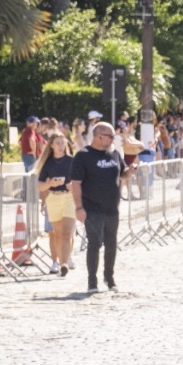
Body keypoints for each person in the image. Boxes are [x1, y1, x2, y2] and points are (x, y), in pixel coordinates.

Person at [69, 121, 129, 293]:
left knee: (111, 244)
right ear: (98, 137)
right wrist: (79, 207)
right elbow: (76, 183)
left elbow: (122, 173)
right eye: (110, 136)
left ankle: (109, 278)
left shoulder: (114, 153)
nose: (113, 139)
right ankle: (92, 282)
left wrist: (130, 172)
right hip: (92, 207)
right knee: (94, 244)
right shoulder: (83, 156)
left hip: (112, 207)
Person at [35, 132, 77, 275]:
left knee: (67, 232)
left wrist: (74, 186)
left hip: (69, 198)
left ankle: (64, 263)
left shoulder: (72, 161)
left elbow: (83, 180)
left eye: (62, 142)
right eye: (57, 143)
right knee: (57, 234)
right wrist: (49, 183)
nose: (60, 146)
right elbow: (39, 185)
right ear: (51, 145)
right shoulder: (48, 163)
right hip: (53, 197)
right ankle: (59, 261)